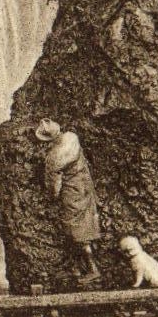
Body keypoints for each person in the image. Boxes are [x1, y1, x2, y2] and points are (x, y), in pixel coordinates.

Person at [35, 119, 101, 278]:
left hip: (72, 192)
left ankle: (93, 269)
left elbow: (54, 184)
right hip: (85, 187)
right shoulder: (72, 137)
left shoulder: (54, 157)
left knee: (74, 230)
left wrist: (52, 196)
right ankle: (77, 268)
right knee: (84, 224)